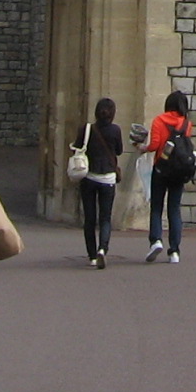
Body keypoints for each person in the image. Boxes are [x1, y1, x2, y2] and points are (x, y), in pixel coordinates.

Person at [140, 90, 192, 264]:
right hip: (179, 171)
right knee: (174, 209)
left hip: (161, 168)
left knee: (156, 207)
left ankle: (155, 240)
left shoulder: (159, 120)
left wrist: (143, 148)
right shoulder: (186, 123)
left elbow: (154, 145)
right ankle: (174, 251)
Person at [76, 98, 123, 268]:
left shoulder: (86, 129)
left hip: (89, 176)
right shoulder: (115, 130)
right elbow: (119, 150)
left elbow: (77, 147)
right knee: (105, 217)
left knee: (89, 218)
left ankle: (91, 256)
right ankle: (103, 248)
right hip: (107, 178)